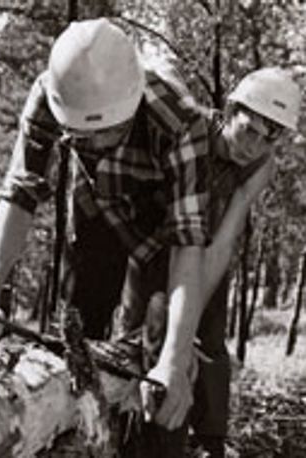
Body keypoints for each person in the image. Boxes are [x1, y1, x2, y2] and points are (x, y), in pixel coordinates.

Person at [0, 17, 213, 438]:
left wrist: (172, 356)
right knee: (77, 337)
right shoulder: (50, 93)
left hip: (163, 227)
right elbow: (19, 197)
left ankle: (170, 441)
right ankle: (76, 435)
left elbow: (188, 243)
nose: (92, 147)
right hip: (95, 211)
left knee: (170, 358)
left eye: (107, 135)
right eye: (80, 137)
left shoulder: (179, 119)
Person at [114, 67, 301, 457]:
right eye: (249, 129)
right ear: (231, 109)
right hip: (154, 247)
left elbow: (223, 242)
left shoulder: (258, 166)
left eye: (269, 139)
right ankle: (126, 436)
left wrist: (188, 326)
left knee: (204, 347)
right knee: (138, 342)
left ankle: (204, 443)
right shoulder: (189, 130)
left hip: (207, 257)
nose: (253, 146)